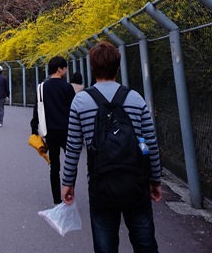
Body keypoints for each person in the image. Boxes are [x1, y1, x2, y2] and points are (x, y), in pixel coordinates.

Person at [62, 41, 162, 253]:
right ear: (118, 67)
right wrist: (154, 179)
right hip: (136, 183)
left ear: (91, 67)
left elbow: (73, 148)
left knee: (105, 244)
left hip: (101, 184)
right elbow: (147, 143)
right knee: (144, 241)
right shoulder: (135, 98)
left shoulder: (80, 102)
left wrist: (68, 182)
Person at [30, 56, 75, 204]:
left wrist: (34, 129)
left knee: (54, 166)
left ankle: (57, 199)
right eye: (65, 67)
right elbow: (74, 110)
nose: (66, 70)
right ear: (59, 69)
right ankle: (69, 193)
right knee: (71, 163)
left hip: (50, 131)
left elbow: (37, 109)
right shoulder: (67, 87)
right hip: (67, 130)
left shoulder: (42, 87)